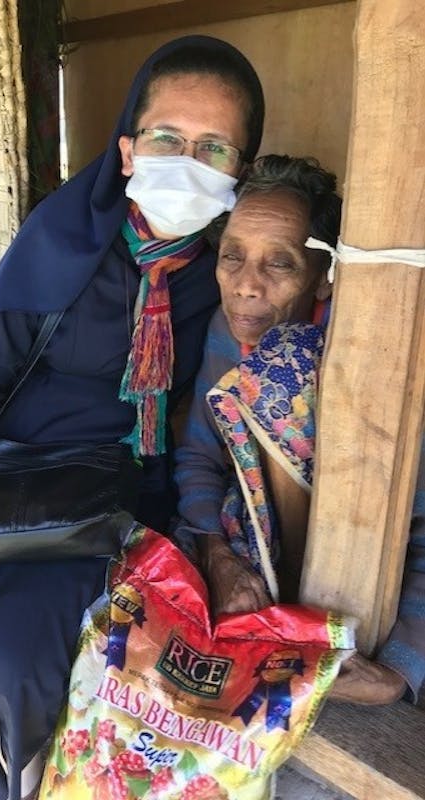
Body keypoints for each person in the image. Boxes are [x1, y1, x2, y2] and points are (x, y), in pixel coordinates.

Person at [0, 36, 265, 800]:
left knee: (15, 663)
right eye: (167, 138)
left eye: (213, 148)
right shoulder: (61, 241)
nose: (187, 163)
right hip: (16, 480)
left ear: (240, 172)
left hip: (121, 501)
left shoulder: (235, 274)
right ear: (126, 150)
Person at [174, 154, 425, 707]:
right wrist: (218, 557)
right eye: (232, 256)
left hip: (371, 604)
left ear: (323, 279)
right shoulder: (227, 329)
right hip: (253, 565)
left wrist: (398, 674)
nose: (246, 285)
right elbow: (199, 456)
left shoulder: (379, 363)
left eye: (280, 263)